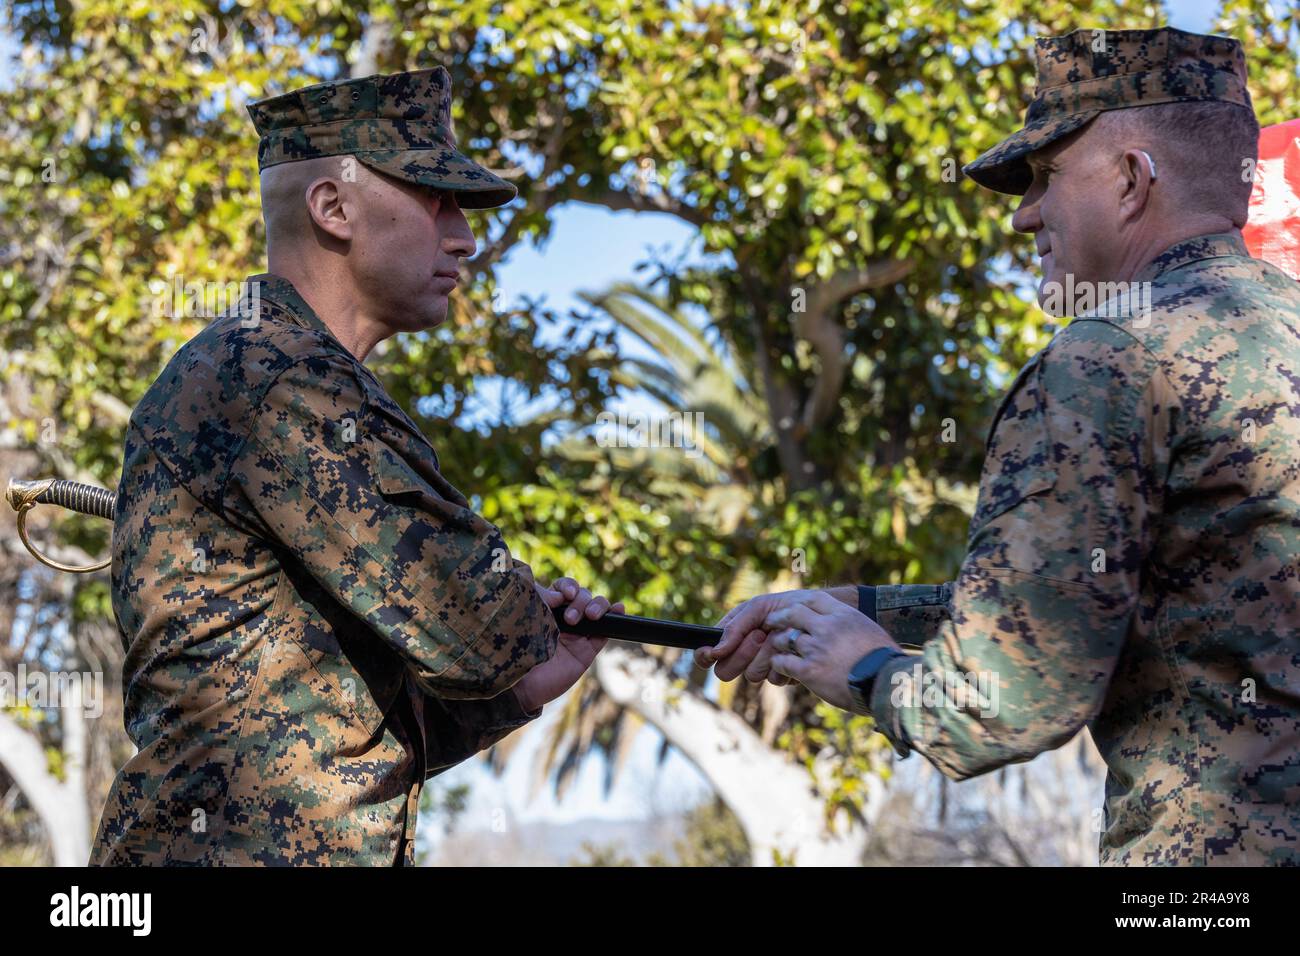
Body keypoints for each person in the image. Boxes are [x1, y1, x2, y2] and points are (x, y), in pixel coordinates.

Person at [700, 26, 1300, 865]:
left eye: (1045, 177)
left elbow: (1000, 700)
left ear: (1132, 179)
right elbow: (1144, 593)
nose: (1023, 216)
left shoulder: (1108, 361)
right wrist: (859, 611)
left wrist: (867, 671)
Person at [92, 67, 620, 865]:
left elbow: (323, 734)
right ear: (333, 208)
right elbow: (481, 630)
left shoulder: (268, 366)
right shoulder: (278, 379)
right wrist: (513, 639)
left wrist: (517, 688)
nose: (463, 237)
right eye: (434, 198)